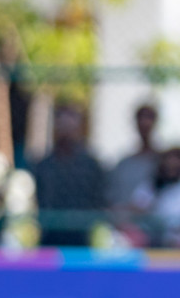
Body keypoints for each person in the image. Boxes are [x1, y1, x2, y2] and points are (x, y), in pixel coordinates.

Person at [32, 105, 107, 247]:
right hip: (50, 235)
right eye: (62, 123)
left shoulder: (91, 165)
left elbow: (99, 200)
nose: (66, 130)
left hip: (83, 236)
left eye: (70, 124)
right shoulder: (44, 165)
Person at [107, 103, 160, 212]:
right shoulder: (123, 165)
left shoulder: (165, 163)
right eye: (141, 118)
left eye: (149, 117)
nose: (145, 123)